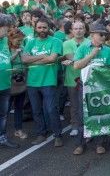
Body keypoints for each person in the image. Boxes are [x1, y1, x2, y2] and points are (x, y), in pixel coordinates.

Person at [72, 23, 110, 155]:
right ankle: (80, 143)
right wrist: (91, 55)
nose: (103, 37)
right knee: (82, 115)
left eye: (105, 35)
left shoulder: (109, 50)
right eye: (100, 34)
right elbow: (76, 66)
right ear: (92, 35)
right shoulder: (83, 48)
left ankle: (100, 143)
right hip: (85, 87)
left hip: (101, 88)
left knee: (101, 115)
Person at [21, 17, 63, 147]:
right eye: (39, 27)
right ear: (35, 28)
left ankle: (57, 135)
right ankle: (41, 133)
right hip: (32, 82)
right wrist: (43, 56)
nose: (42, 30)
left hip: (48, 81)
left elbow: (52, 59)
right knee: (36, 110)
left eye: (44, 27)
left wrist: (33, 59)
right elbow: (24, 59)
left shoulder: (55, 41)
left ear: (48, 28)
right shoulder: (31, 42)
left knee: (51, 109)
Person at [61, 21, 89, 137]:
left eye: (81, 28)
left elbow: (75, 61)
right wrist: (84, 59)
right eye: (76, 28)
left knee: (87, 103)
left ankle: (88, 126)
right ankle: (75, 126)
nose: (78, 31)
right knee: (74, 104)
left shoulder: (90, 42)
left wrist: (76, 61)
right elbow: (73, 58)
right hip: (72, 78)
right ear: (71, 31)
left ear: (85, 30)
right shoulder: (67, 43)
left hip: (88, 78)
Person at [0, 14, 18, 148]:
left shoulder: (5, 40)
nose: (8, 31)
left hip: (5, 84)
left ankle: (2, 137)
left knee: (3, 115)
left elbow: (6, 59)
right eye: (6, 28)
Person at [7, 28, 28, 140]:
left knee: (19, 107)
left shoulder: (23, 48)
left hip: (20, 82)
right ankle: (2, 132)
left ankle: (18, 130)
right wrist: (15, 54)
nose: (20, 42)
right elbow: (5, 62)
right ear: (11, 38)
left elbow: (26, 62)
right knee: (6, 108)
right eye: (17, 40)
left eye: (21, 40)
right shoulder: (5, 49)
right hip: (8, 82)